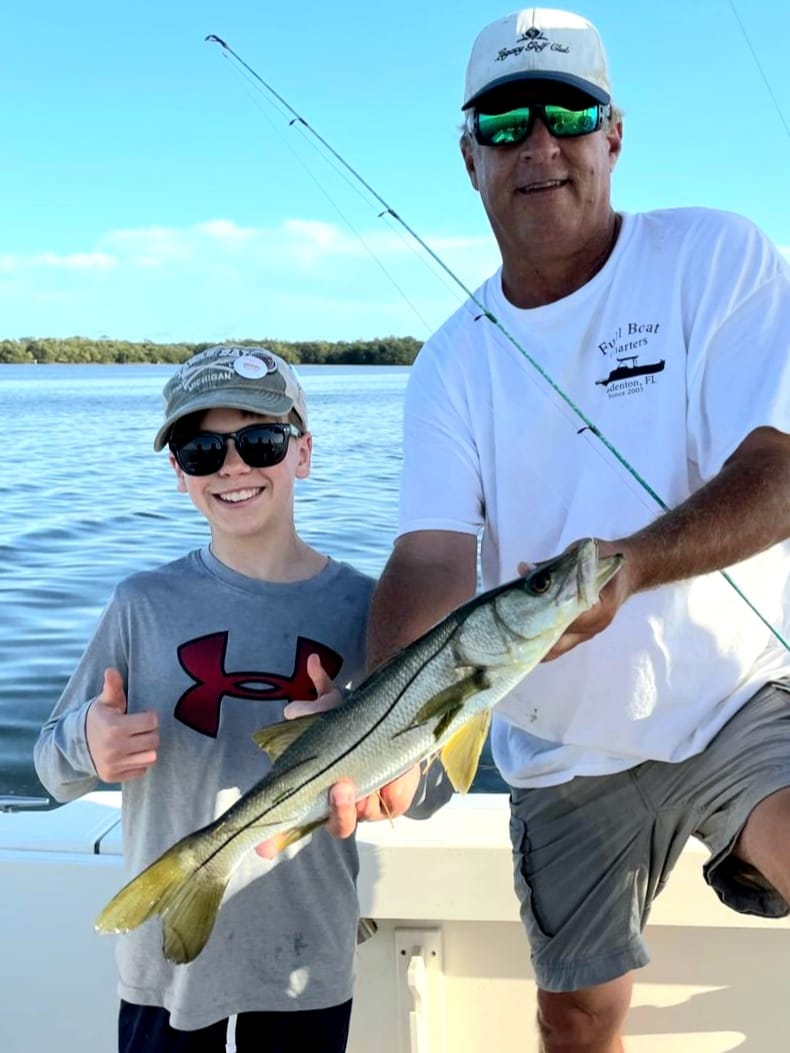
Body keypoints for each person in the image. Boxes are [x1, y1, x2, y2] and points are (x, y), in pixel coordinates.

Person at [345, 8, 790, 1052]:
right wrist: (383, 732)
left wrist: (628, 569)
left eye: (566, 112)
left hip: (739, 694)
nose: (537, 144)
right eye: (504, 121)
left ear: (612, 135)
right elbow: (429, 557)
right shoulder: (453, 364)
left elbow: (777, 470)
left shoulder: (714, 255)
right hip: (560, 745)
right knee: (576, 1017)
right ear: (469, 157)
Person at [34, 344, 375, 1053]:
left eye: (259, 439)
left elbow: (424, 784)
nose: (233, 465)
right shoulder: (141, 605)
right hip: (165, 967)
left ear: (303, 453)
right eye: (201, 450)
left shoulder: (367, 607)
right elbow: (50, 767)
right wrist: (87, 745)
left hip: (306, 959)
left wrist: (364, 745)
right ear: (178, 475)